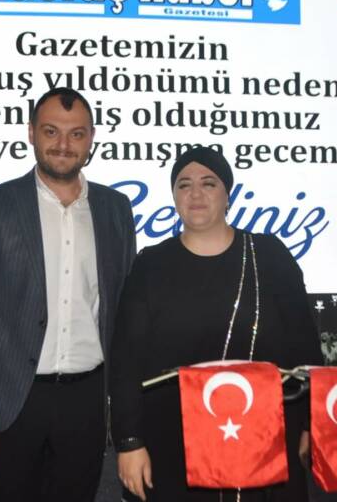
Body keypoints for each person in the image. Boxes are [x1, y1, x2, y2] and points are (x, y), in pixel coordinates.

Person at [110, 146, 321, 502]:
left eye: (208, 183)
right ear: (173, 195)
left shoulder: (269, 256)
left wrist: (310, 423)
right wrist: (129, 442)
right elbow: (126, 360)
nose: (195, 194)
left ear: (228, 194)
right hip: (172, 443)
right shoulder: (151, 265)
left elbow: (306, 346)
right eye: (184, 184)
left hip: (265, 442)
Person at [0, 87, 136, 501]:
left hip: (87, 398)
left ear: (91, 139)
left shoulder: (115, 208)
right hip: (12, 397)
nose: (63, 144)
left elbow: (123, 310)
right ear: (31, 133)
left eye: (76, 134)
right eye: (51, 131)